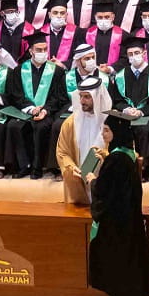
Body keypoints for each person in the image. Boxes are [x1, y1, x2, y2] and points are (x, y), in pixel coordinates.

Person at [84, 112, 149, 296]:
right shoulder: (128, 155)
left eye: (107, 130)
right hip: (128, 219)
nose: (103, 134)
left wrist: (93, 180)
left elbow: (105, 191)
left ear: (117, 133)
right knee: (128, 261)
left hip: (114, 223)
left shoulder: (116, 159)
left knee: (114, 263)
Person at [54, 76, 112, 206]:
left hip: (106, 183)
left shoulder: (114, 123)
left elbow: (125, 154)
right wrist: (71, 167)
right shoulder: (70, 123)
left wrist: (105, 158)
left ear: (97, 98)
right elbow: (62, 152)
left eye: (87, 97)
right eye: (80, 96)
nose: (82, 101)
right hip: (79, 184)